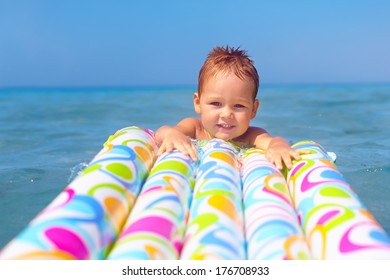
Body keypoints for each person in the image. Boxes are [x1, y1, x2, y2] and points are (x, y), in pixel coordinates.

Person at [154, 45, 302, 170]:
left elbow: (272, 142)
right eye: (216, 103)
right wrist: (172, 135)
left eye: (238, 105)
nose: (226, 114)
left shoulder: (251, 136)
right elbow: (162, 132)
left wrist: (279, 146)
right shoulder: (195, 128)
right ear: (198, 103)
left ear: (253, 109)